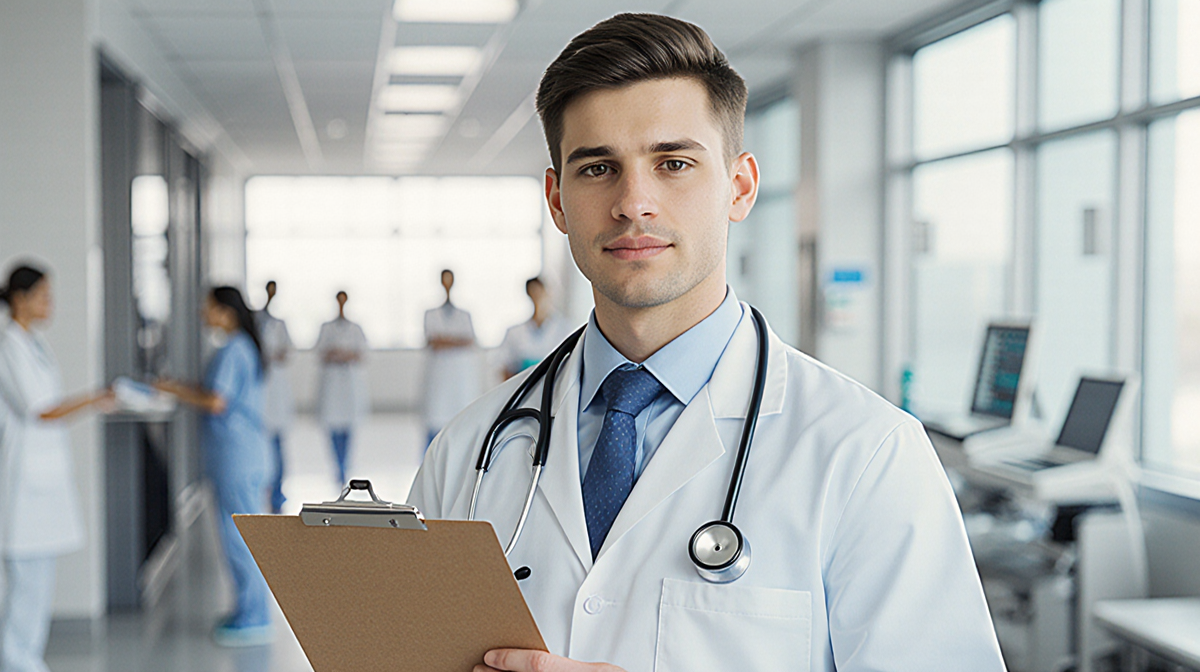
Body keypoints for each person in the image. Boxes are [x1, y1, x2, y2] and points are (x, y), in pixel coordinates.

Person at [408, 14, 1005, 672]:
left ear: (740, 187)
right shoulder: (471, 451)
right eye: (598, 168)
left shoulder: (865, 453)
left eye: (674, 163)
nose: (634, 202)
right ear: (557, 201)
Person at [0, 264, 113, 672]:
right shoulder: (9, 346)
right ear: (19, 299)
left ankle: (25, 657)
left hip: (43, 478)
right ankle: (16, 660)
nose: (51, 303)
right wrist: (94, 398)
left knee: (39, 581)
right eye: (43, 295)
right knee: (26, 582)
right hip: (23, 481)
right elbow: (41, 410)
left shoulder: (33, 343)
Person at [155, 287, 272, 647]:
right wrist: (178, 387)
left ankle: (255, 617)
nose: (203, 314)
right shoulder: (240, 347)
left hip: (237, 456)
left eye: (207, 308)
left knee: (239, 537)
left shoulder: (233, 349)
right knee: (240, 534)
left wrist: (172, 391)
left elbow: (216, 400)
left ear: (225, 311)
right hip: (244, 453)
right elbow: (212, 391)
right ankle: (250, 610)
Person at [422, 270, 481, 448]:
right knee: (434, 429)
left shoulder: (464, 315)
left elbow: (470, 341)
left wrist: (445, 340)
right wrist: (456, 341)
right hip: (438, 379)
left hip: (459, 380)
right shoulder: (430, 314)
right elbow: (433, 342)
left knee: (461, 428)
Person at [315, 291, 368, 486]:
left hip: (349, 385)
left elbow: (362, 353)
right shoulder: (326, 328)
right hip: (332, 384)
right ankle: (338, 468)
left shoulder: (355, 328)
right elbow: (320, 352)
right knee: (332, 428)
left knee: (348, 429)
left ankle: (345, 467)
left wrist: (341, 354)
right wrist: (343, 354)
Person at [256, 280, 294, 513]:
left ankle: (278, 493)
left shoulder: (279, 324)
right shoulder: (256, 320)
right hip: (260, 393)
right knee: (263, 447)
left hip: (276, 393)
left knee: (277, 446)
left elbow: (287, 352)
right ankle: (267, 489)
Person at [498, 278, 575, 380]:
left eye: (539, 293)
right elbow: (505, 368)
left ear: (547, 293)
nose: (537, 298)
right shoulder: (515, 332)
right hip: (523, 386)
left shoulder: (563, 328)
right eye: (533, 293)